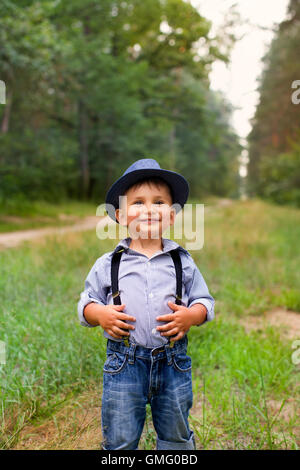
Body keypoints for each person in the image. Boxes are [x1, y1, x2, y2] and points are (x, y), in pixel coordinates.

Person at [77, 158, 215, 450]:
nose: (149, 209)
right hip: (124, 362)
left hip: (172, 362)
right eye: (138, 202)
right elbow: (86, 304)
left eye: (159, 202)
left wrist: (191, 315)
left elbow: (205, 301)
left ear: (172, 215)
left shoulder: (183, 262)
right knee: (120, 435)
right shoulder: (108, 263)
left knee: (175, 431)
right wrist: (100, 313)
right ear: (122, 215)